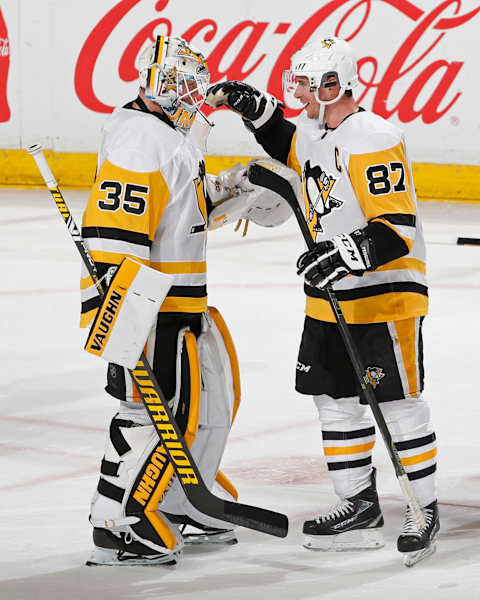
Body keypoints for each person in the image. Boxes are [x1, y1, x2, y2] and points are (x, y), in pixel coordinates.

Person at [206, 36, 439, 563]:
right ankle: (358, 503)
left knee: (397, 403)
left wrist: (346, 252)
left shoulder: (374, 137)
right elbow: (288, 141)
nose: (301, 94)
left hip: (384, 295)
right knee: (333, 401)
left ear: (335, 86)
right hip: (330, 296)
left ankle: (423, 507)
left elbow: (396, 226)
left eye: (309, 86)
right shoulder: (316, 131)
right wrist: (251, 106)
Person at [80, 35, 256, 566]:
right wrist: (120, 315)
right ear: (162, 84)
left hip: (178, 302)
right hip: (147, 305)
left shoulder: (162, 136)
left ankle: (178, 503)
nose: (192, 96)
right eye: (184, 85)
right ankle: (119, 519)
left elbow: (180, 212)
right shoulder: (141, 141)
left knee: (206, 406)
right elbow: (114, 234)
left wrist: (232, 189)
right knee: (149, 413)